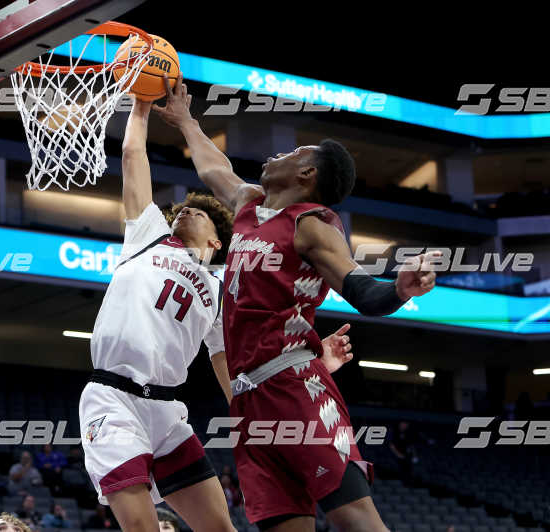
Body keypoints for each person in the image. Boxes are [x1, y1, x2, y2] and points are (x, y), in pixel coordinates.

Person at [155, 74, 438, 532]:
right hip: (248, 402)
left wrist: (400, 288)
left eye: (291, 153)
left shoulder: (313, 223)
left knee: (356, 520)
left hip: (293, 385)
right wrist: (186, 122)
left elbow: (360, 288)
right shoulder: (250, 206)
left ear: (307, 174)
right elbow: (214, 170)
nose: (275, 154)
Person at [79, 97, 355, 532]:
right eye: (183, 210)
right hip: (114, 398)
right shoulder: (147, 238)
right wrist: (140, 109)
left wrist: (316, 363)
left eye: (202, 213)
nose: (187, 210)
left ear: (216, 243)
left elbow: (233, 363)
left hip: (168, 411)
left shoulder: (222, 288)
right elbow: (133, 158)